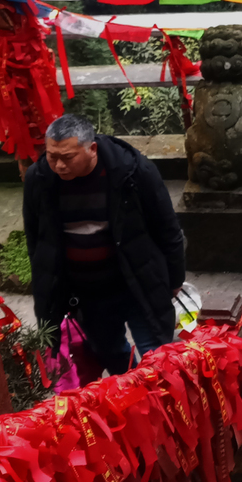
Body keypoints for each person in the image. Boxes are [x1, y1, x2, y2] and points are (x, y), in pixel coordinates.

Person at [24, 113, 186, 376]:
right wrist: (49, 292)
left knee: (156, 356)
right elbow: (37, 239)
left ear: (92, 149)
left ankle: (159, 403)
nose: (59, 165)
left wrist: (175, 277)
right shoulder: (39, 180)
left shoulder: (134, 172)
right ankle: (133, 398)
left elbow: (167, 228)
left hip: (137, 282)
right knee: (111, 354)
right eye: (52, 156)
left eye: (68, 157)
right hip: (88, 294)